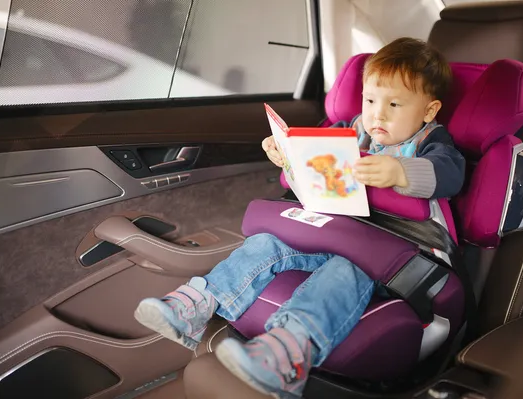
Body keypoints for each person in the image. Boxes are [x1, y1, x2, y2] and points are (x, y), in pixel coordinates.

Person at [134, 37, 465, 399]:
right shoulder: (353, 130)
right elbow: (315, 169)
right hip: (336, 234)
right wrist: (288, 157)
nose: (377, 114)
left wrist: (401, 172)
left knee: (343, 270)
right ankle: (197, 305)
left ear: (429, 111)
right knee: (264, 244)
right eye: (370, 100)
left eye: (394, 104)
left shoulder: (433, 143)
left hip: (395, 260)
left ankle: (286, 354)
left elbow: (449, 174)